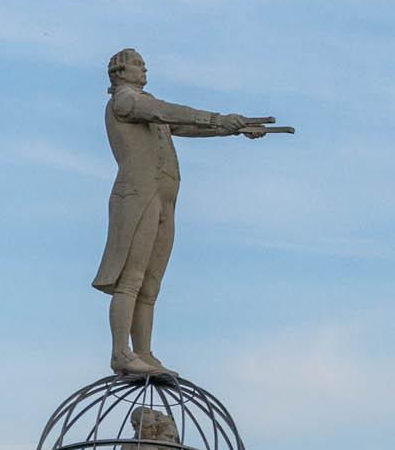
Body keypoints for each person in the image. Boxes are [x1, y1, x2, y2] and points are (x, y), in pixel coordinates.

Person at [93, 47, 283, 377]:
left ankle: (144, 352)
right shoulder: (125, 100)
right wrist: (219, 119)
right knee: (131, 278)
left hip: (164, 198)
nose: (144, 69)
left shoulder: (149, 108)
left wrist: (232, 127)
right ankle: (121, 353)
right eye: (137, 65)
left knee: (150, 283)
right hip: (139, 196)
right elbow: (168, 112)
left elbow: (184, 126)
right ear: (119, 73)